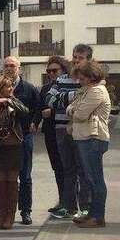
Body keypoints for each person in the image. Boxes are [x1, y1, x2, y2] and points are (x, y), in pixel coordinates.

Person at [46, 44, 93, 220]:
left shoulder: (89, 81)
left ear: (88, 60)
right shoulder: (62, 79)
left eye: (80, 57)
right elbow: (49, 99)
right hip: (61, 130)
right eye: (74, 56)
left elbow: (88, 100)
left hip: (82, 130)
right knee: (68, 169)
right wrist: (73, 96)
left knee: (84, 170)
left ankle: (86, 208)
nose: (76, 60)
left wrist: (62, 98)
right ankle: (69, 207)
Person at [67, 61, 111, 228]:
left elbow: (80, 114)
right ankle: (93, 214)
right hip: (86, 138)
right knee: (90, 178)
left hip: (93, 139)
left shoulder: (96, 91)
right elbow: (73, 108)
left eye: (82, 78)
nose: (80, 81)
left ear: (91, 76)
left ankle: (98, 216)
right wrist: (74, 109)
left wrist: (73, 110)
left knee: (95, 178)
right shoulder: (87, 90)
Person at [0, 74, 29, 230]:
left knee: (12, 181)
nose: (10, 89)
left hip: (14, 145)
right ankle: (1, 214)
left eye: (11, 86)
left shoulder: (14, 101)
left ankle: (10, 216)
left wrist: (9, 101)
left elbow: (25, 111)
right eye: (7, 86)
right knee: (0, 182)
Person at [2, 56, 39, 225]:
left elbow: (38, 108)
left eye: (12, 65)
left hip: (24, 136)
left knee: (25, 176)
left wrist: (35, 122)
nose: (9, 68)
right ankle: (5, 212)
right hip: (3, 138)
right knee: (6, 178)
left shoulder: (29, 88)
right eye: (6, 66)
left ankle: (26, 211)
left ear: (19, 68)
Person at [34, 56, 69, 217]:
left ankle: (70, 203)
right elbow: (39, 108)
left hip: (66, 131)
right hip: (50, 132)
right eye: (48, 71)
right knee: (57, 168)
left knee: (68, 168)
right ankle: (62, 201)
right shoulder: (45, 88)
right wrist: (35, 122)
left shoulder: (69, 85)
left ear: (63, 70)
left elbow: (73, 107)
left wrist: (52, 112)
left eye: (55, 70)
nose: (51, 73)